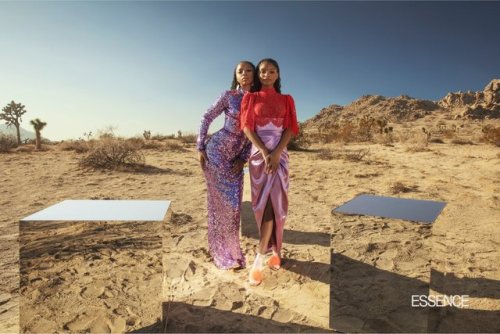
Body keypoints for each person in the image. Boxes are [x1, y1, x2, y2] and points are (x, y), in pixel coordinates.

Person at [240, 58, 299, 285]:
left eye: (271, 71)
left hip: (280, 156)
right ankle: (270, 252)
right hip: (259, 157)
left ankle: (263, 256)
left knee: (277, 205)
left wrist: (276, 153)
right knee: (262, 205)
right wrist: (265, 152)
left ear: (277, 75)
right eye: (263, 71)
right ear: (258, 73)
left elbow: (290, 129)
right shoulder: (250, 98)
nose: (266, 74)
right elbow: (247, 127)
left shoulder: (287, 99)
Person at [196, 61, 256, 270]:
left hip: (236, 158)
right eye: (240, 71)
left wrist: (243, 158)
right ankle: (223, 253)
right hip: (216, 153)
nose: (245, 74)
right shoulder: (229, 96)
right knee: (218, 205)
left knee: (234, 206)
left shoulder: (258, 100)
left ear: (254, 74)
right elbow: (206, 116)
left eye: (249, 70)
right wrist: (201, 145)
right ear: (236, 75)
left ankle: (232, 250)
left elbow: (253, 135)